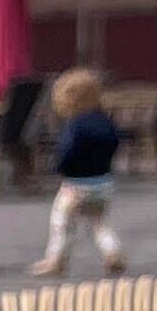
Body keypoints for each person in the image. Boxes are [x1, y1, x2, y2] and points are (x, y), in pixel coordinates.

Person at [28, 66, 127, 276]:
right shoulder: (107, 122)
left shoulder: (75, 126)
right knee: (100, 223)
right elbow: (115, 143)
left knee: (61, 223)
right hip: (103, 183)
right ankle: (112, 251)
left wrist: (59, 168)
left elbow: (67, 152)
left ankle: (56, 260)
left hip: (75, 185)